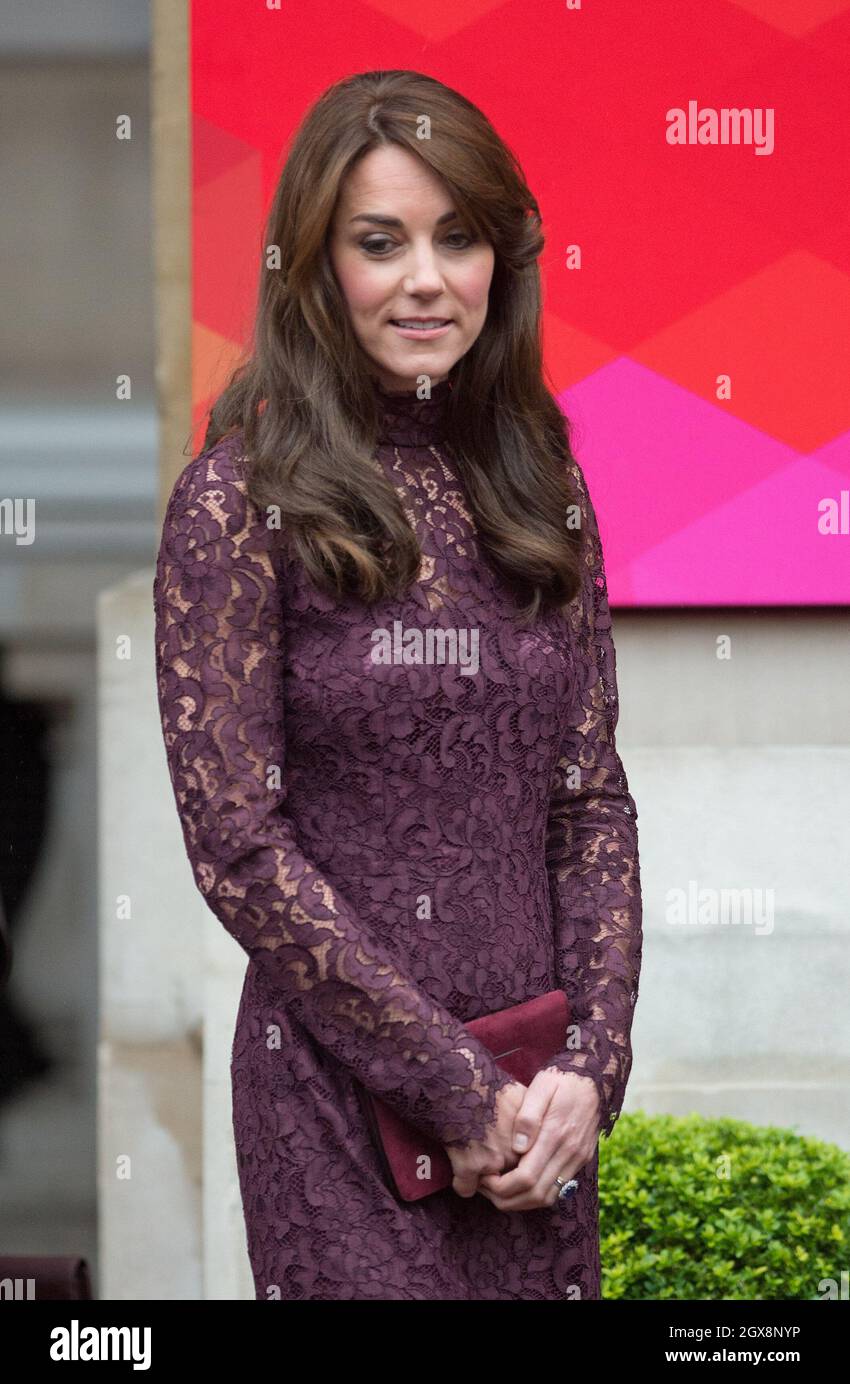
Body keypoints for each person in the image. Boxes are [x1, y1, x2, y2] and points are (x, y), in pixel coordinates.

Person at [153, 69, 642, 1300]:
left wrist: (587, 1071)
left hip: (536, 1117)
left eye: (456, 237)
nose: (426, 278)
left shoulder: (542, 487)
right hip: (336, 1104)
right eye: (380, 243)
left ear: (500, 259)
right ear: (315, 266)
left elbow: (588, 800)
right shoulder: (237, 499)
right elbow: (238, 847)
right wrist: (452, 1088)